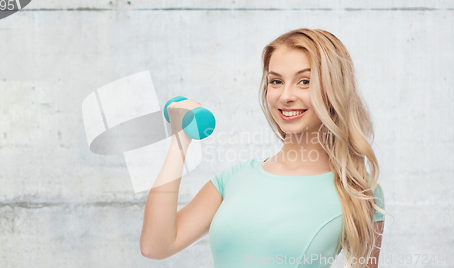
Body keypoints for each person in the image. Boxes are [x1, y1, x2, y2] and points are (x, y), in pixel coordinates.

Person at [139, 28, 388, 268]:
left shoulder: (359, 191)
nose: (286, 96)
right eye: (276, 81)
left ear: (335, 89)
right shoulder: (234, 178)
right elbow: (156, 246)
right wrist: (179, 142)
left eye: (304, 81)